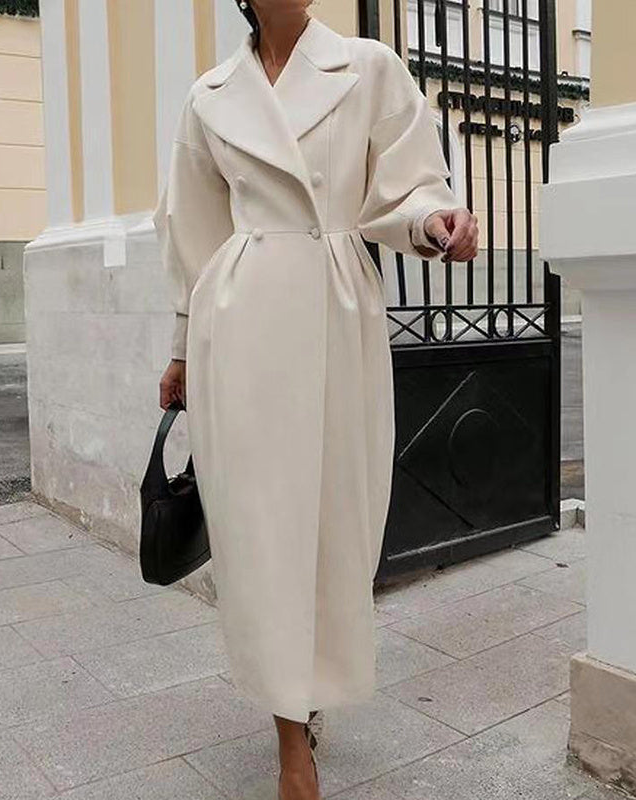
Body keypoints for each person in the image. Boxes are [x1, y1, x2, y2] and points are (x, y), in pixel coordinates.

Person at [154, 3, 478, 798]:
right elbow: (192, 232)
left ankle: (309, 686)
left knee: (337, 515)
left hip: (336, 314)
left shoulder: (368, 67)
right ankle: (290, 742)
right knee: (260, 528)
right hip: (240, 325)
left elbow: (407, 187)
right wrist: (179, 347)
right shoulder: (210, 95)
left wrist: (435, 223)